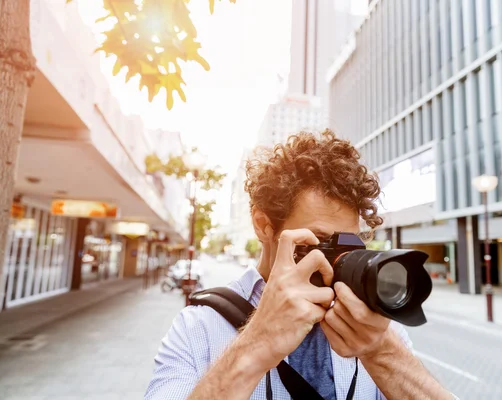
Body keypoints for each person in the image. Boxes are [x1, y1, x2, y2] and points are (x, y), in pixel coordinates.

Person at [145, 130, 456, 399]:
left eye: (351, 244)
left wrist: (381, 352)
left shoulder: (373, 324)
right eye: (321, 241)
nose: (337, 260)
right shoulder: (198, 326)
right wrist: (256, 344)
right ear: (263, 225)